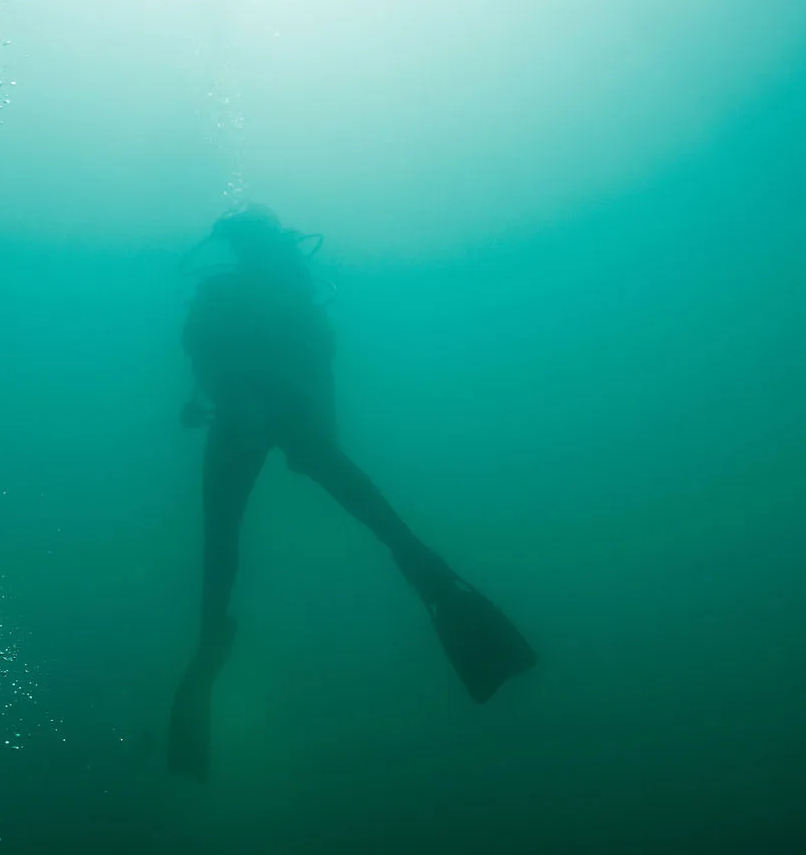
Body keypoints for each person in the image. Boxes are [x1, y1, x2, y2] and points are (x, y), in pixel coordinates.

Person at [168, 206, 536, 779]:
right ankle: (435, 580)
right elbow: (314, 367)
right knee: (378, 518)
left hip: (243, 424)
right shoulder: (294, 293)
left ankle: (212, 633)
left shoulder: (227, 290)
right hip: (291, 421)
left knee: (222, 544)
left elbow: (204, 356)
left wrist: (220, 405)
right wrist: (317, 444)